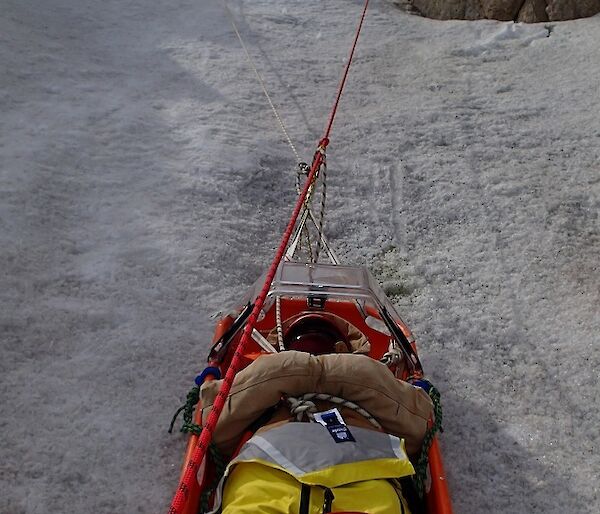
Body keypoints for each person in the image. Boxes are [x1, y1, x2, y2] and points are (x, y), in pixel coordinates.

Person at [201, 313, 433, 514]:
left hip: (266, 474)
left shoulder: (266, 382)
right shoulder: (372, 381)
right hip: (366, 473)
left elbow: (213, 423)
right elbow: (418, 425)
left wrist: (292, 371)